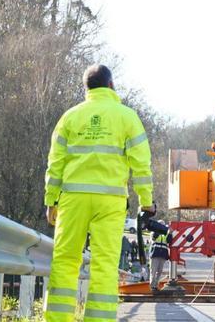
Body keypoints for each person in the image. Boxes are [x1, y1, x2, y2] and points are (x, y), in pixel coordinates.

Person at [43, 65, 154, 321]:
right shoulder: (127, 117)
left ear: (87, 88)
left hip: (73, 200)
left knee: (65, 260)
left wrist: (51, 201)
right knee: (104, 264)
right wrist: (146, 200)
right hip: (110, 201)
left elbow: (55, 164)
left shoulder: (69, 117)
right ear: (111, 84)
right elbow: (141, 164)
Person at [149, 223, 173, 293]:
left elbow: (169, 241)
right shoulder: (154, 232)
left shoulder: (166, 233)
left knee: (159, 272)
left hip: (162, 255)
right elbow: (154, 237)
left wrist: (170, 233)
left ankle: (156, 286)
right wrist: (157, 230)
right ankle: (152, 286)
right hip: (155, 254)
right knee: (153, 271)